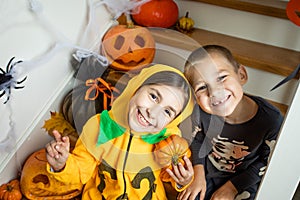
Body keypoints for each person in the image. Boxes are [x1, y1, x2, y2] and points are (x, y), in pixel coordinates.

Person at [45, 64, 195, 199]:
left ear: (172, 121)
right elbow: (81, 171)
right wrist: (62, 165)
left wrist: (183, 180)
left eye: (167, 112)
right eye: (154, 96)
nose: (153, 113)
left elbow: (169, 175)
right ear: (136, 88)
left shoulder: (167, 142)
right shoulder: (99, 126)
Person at [178, 45, 284, 200]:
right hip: (208, 172)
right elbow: (197, 139)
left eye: (221, 78)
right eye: (202, 87)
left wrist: (232, 187)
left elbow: (266, 161)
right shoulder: (200, 112)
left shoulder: (271, 120)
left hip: (246, 178)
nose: (214, 92)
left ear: (241, 75)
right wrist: (198, 173)